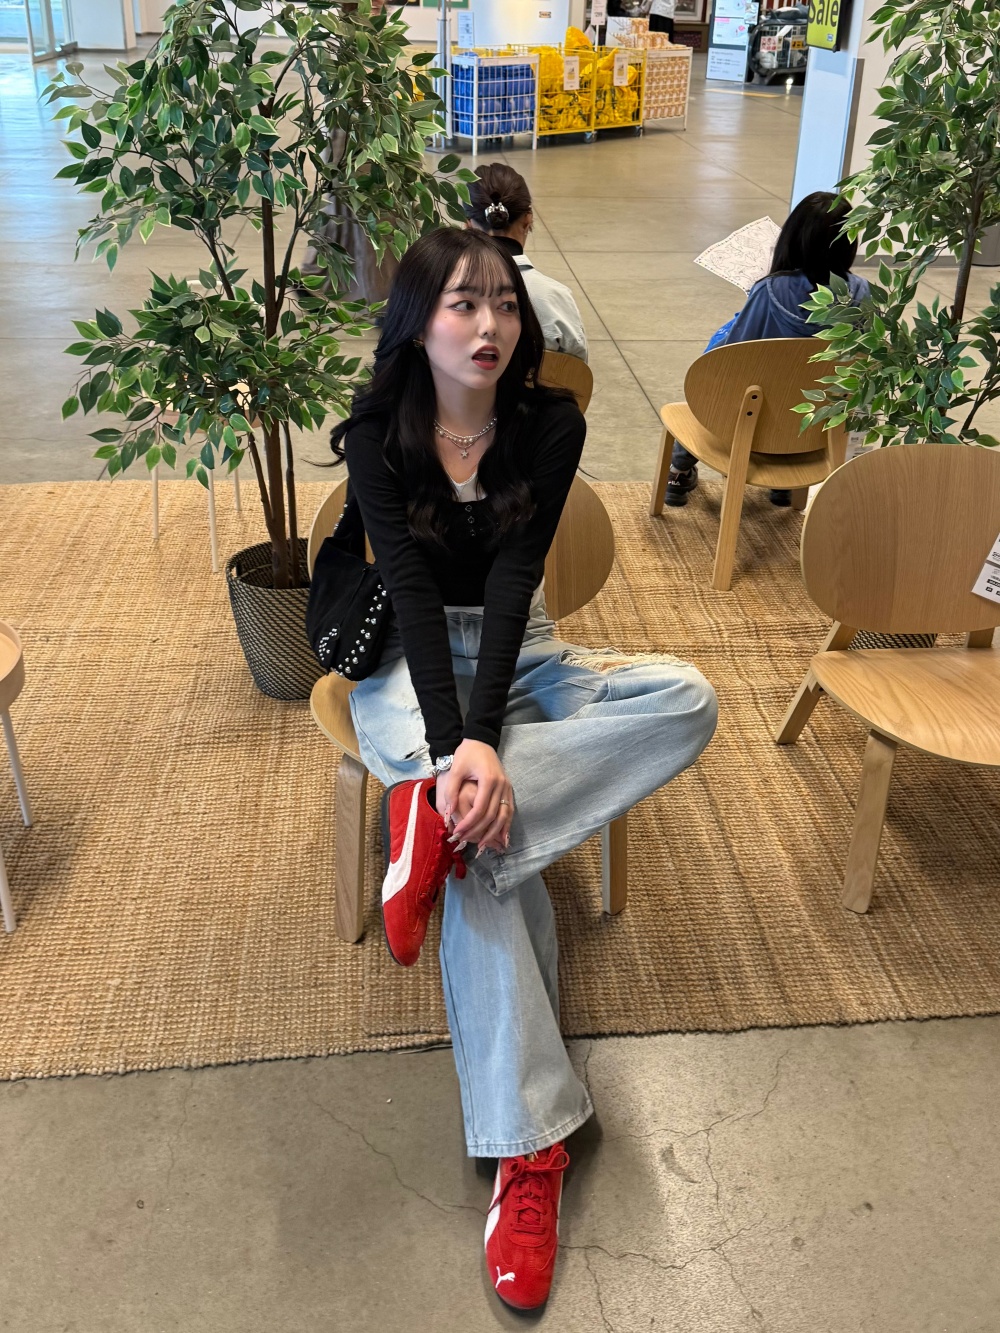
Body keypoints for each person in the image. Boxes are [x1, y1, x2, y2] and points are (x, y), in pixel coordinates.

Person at [330, 227, 717, 1313]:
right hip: (407, 666)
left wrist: (484, 743)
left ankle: (434, 820)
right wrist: (459, 743)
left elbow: (511, 586)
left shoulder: (550, 424)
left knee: (686, 698)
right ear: (418, 321)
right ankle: (528, 1151)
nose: (489, 323)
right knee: (490, 859)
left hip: (524, 651)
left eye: (504, 301)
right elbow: (411, 593)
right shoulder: (379, 430)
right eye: (462, 303)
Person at [667, 191, 871, 507]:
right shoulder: (862, 293)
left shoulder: (768, 290)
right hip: (814, 431)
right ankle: (785, 485)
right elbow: (862, 366)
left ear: (791, 238)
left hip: (751, 427)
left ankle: (679, 471)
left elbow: (729, 360)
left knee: (711, 380)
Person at [464, 163, 589, 363]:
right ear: (527, 219)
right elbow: (576, 373)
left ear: (468, 224)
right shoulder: (554, 298)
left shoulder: (442, 291)